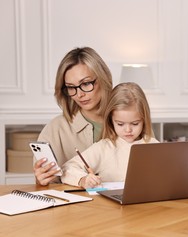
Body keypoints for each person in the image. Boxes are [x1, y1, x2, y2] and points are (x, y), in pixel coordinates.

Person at [33, 47, 113, 186]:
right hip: (74, 206)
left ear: (102, 78)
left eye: (86, 83)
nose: (79, 94)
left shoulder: (129, 122)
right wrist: (42, 179)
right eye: (71, 87)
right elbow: (47, 186)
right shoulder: (56, 129)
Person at [61, 82, 159, 188]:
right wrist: (83, 179)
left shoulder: (154, 146)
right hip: (110, 204)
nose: (128, 130)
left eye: (135, 123)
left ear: (144, 120)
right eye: (120, 124)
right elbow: (68, 168)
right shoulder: (104, 147)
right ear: (111, 120)